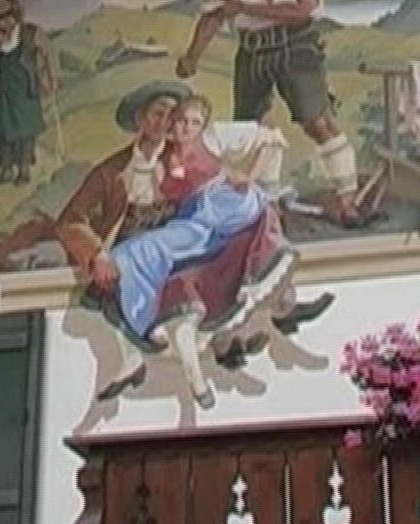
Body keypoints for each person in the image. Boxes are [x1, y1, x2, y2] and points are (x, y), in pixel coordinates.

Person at [56, 81, 330, 407]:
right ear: (140, 120)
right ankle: (158, 353)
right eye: (158, 114)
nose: (167, 123)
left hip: (191, 238)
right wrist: (96, 255)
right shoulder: (112, 171)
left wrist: (248, 178)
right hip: (144, 248)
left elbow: (246, 151)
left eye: (173, 116)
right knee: (150, 281)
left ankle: (272, 313)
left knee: (242, 240)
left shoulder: (192, 150)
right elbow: (70, 220)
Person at [176, 0, 364, 227]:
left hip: (296, 47)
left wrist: (245, 8)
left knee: (317, 122)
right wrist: (192, 55)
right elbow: (214, 15)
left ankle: (348, 202)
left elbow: (301, 11)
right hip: (253, 51)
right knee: (256, 132)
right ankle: (267, 207)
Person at [0, 0, 56, 185]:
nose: (0, 23)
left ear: (14, 16)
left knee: (25, 132)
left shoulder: (30, 33)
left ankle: (24, 171)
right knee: (2, 132)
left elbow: (48, 54)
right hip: (2, 92)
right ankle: (5, 171)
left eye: (4, 18)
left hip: (25, 91)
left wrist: (51, 79)